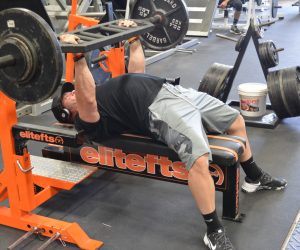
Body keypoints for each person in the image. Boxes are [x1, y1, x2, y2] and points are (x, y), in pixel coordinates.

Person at [52, 28, 287, 250]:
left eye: (72, 90)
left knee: (235, 119)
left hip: (175, 92)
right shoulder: (87, 118)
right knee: (198, 158)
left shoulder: (104, 89)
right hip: (159, 109)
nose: (72, 92)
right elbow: (87, 100)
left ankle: (255, 178)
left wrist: (134, 39)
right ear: (66, 114)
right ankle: (213, 229)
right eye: (68, 96)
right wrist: (79, 56)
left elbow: (136, 73)